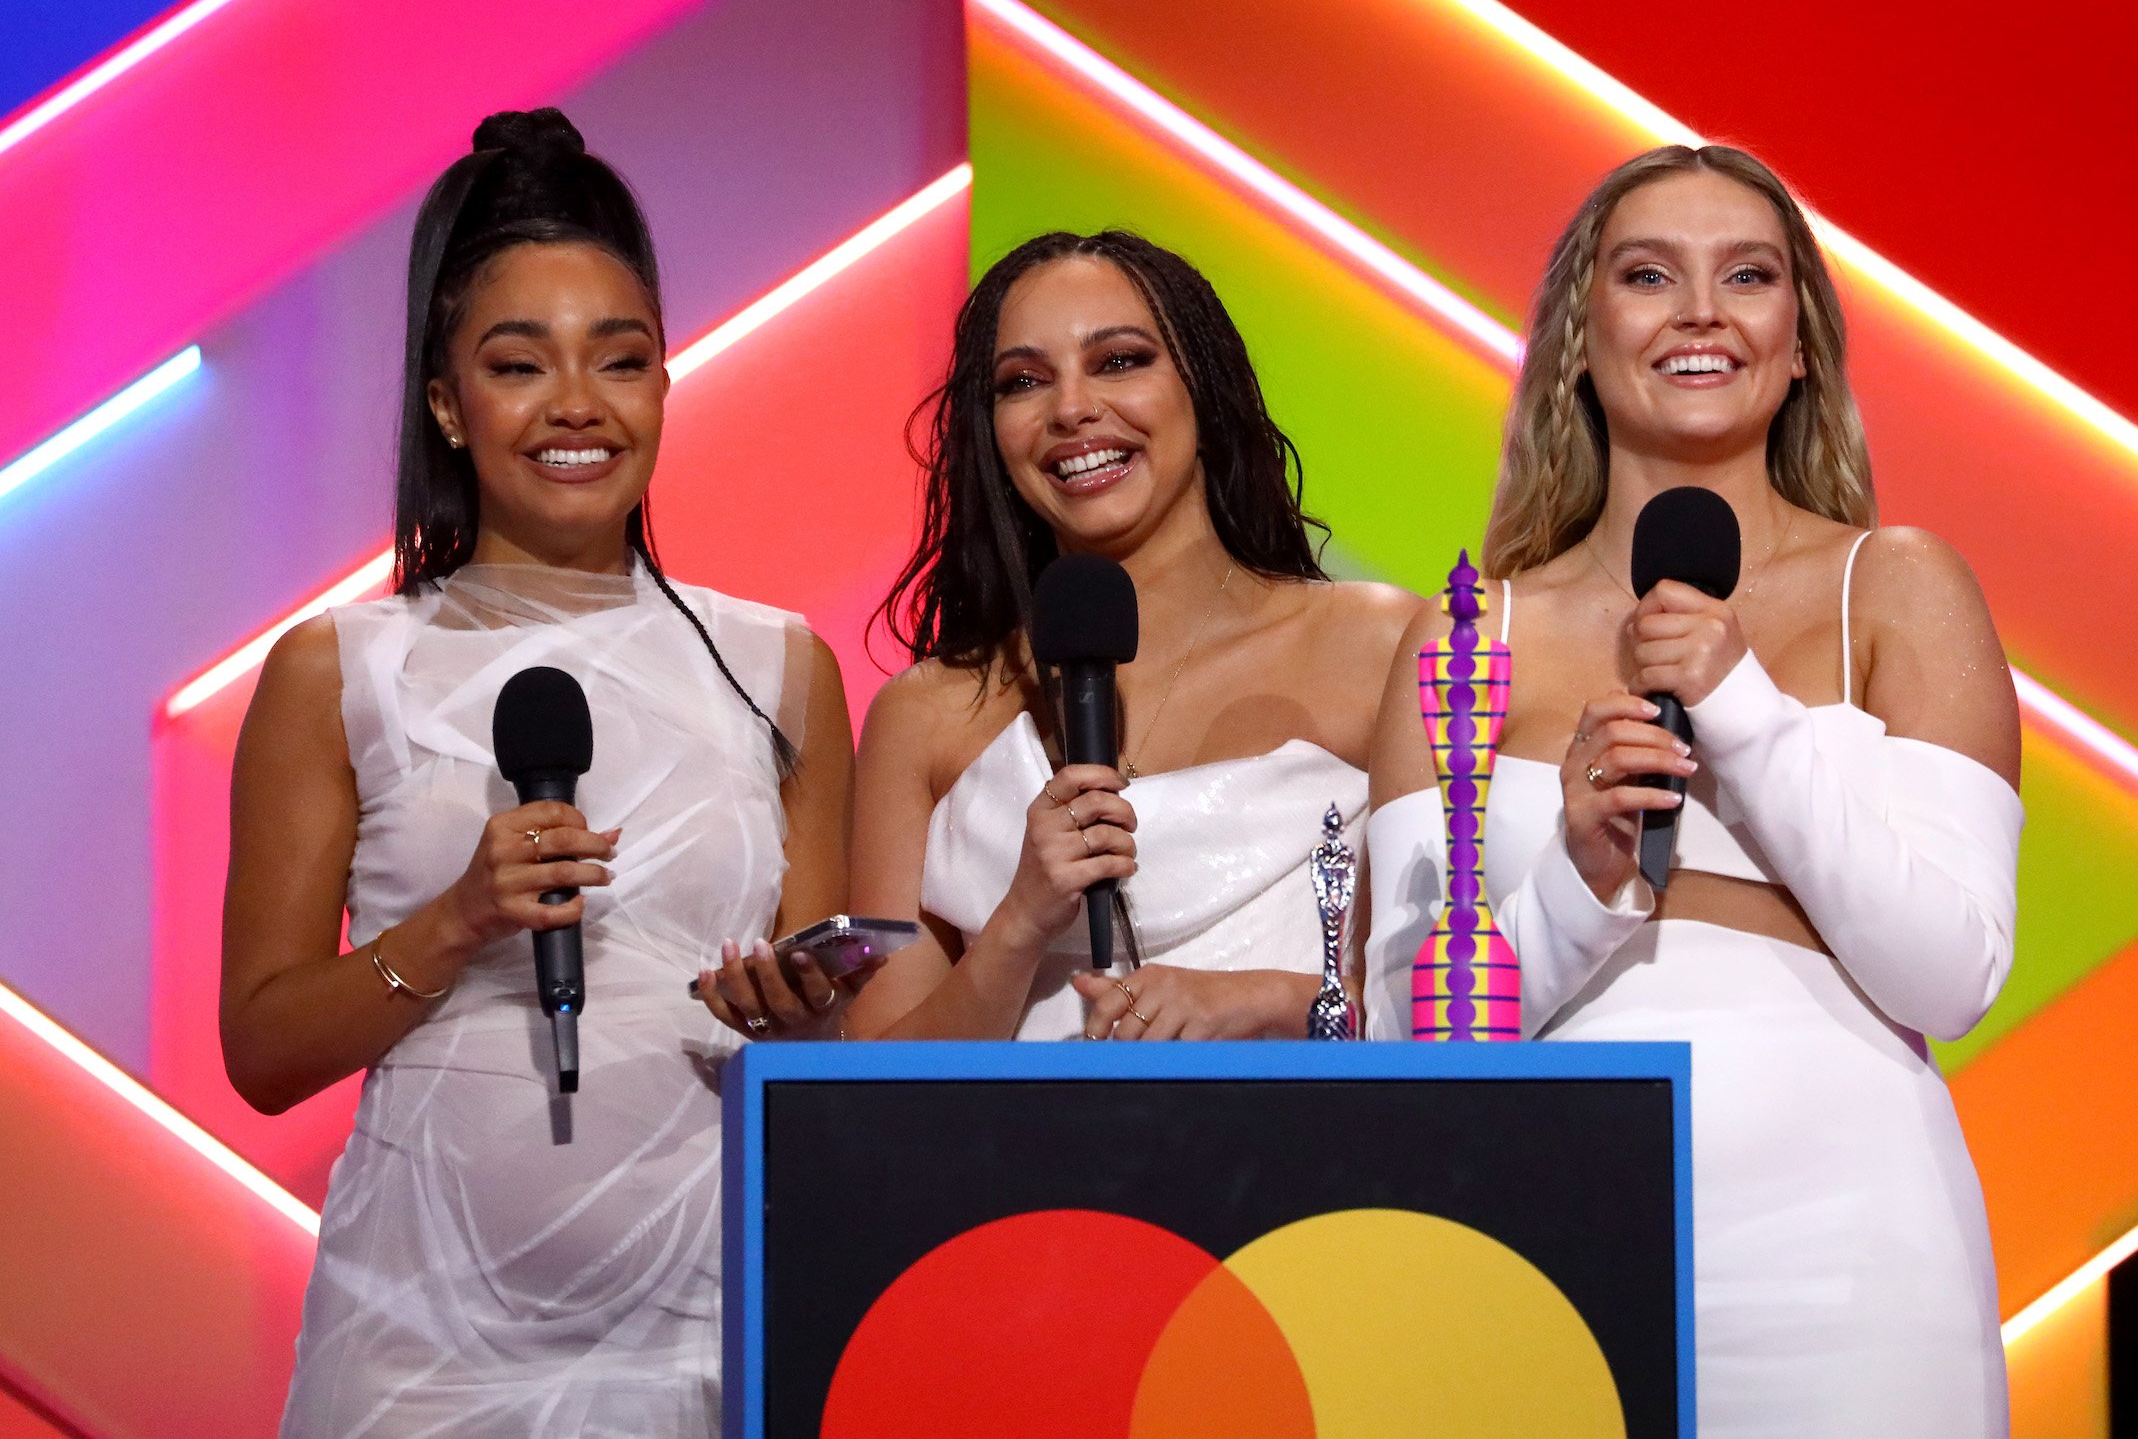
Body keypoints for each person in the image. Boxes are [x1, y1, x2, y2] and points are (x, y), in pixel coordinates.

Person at [1364, 146, 2020, 1434]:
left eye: (1749, 276)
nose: (1702, 312)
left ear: (1801, 345)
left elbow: (1951, 975)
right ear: (1578, 337)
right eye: (1649, 275)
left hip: (1854, 1262)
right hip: (1537, 1253)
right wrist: (1577, 879)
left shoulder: (1897, 587)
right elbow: (1401, 1040)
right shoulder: (1466, 637)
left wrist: (1744, 711)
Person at [220, 109, 853, 1434]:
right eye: (520, 365)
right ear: (446, 403)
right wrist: (454, 921)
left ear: (665, 382)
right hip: (417, 1354)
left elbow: (832, 1040)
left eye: (621, 359)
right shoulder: (340, 668)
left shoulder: (780, 666)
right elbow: (265, 1050)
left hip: (709, 1330)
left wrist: (797, 1009)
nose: (578, 405)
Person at [845, 230, 1416, 1041]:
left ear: (1204, 388)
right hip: (1017, 1128)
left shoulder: (1382, 646)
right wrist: (1019, 922)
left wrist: (1262, 999)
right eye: (1023, 381)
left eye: (1118, 361)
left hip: (1300, 1121)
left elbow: (1458, 1005)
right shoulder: (924, 714)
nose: (1071, 408)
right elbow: (869, 1083)